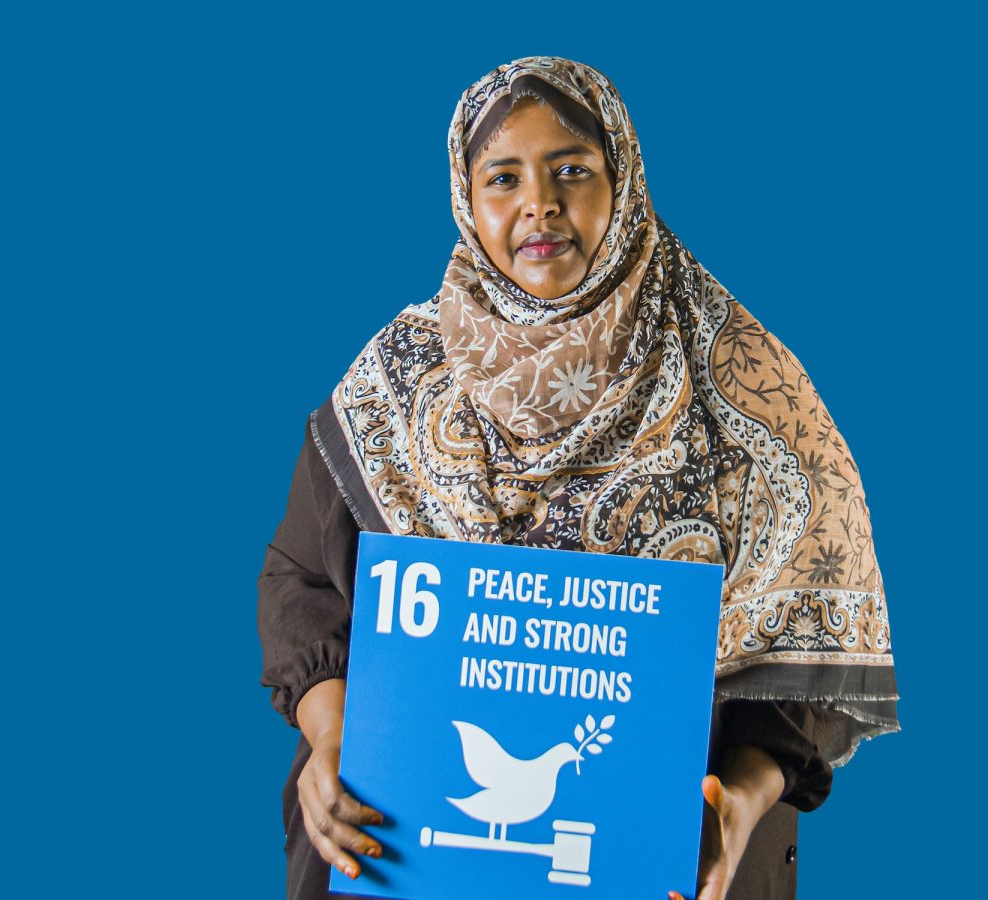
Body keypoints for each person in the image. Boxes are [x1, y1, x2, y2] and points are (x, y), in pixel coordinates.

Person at [259, 56, 898, 900]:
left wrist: (739, 803)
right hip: (408, 856)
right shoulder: (400, 378)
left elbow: (801, 652)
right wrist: (334, 738)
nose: (539, 205)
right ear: (466, 196)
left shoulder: (744, 388)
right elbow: (304, 579)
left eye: (572, 171)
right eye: (503, 177)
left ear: (623, 180)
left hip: (665, 861)